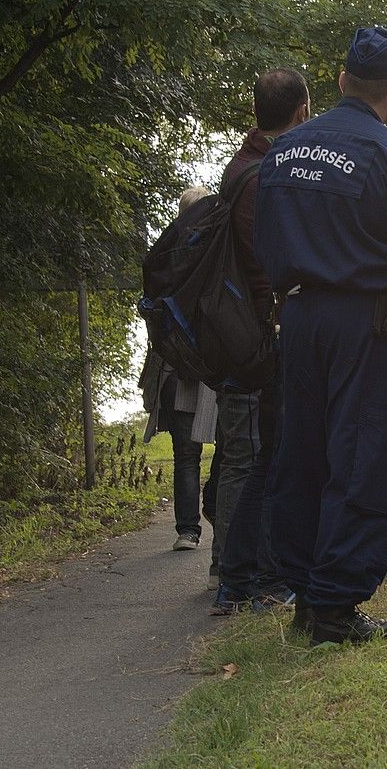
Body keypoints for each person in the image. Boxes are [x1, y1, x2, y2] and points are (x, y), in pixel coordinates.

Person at [254, 27, 387, 645]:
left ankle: (304, 593)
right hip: (366, 322)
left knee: (302, 454)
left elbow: (264, 241)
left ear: (341, 82)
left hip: (299, 318)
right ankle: (336, 609)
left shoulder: (282, 153)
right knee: (361, 457)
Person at [210, 68, 310, 615]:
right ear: (300, 112)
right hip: (261, 334)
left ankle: (239, 578)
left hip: (243, 331)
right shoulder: (263, 173)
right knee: (266, 458)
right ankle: (255, 580)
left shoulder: (240, 166)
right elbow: (262, 261)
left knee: (256, 457)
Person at [140, 186, 219, 555]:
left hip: (176, 368)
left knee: (186, 455)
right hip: (211, 368)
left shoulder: (164, 259)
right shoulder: (214, 253)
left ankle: (189, 530)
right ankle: (216, 522)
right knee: (230, 452)